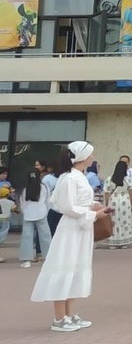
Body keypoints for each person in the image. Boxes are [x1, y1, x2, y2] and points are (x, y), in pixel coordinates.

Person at [30, 141, 111, 332]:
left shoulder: (78, 176)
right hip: (71, 229)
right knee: (65, 267)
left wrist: (93, 206)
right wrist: (94, 214)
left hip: (81, 228)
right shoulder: (69, 177)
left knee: (76, 268)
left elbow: (77, 202)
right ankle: (59, 318)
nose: (93, 157)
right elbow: (67, 207)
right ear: (82, 157)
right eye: (91, 154)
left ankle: (70, 314)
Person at [18, 171, 53, 268]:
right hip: (41, 213)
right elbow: (48, 201)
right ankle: (48, 258)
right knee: (45, 236)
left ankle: (26, 260)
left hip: (28, 215)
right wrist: (46, 211)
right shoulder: (44, 187)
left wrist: (25, 212)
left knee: (27, 237)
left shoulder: (25, 189)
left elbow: (22, 203)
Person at [103, 160, 132, 249]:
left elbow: (107, 193)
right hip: (125, 202)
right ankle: (124, 242)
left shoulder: (109, 179)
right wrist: (131, 203)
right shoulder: (127, 179)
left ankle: (113, 242)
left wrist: (106, 204)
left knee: (113, 221)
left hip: (113, 201)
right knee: (124, 221)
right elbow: (131, 192)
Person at [41, 160, 61, 235]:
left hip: (52, 208)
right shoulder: (64, 178)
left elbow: (43, 193)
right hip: (56, 208)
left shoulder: (48, 178)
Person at [0, 166, 14, 260]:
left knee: (5, 224)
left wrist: (11, 191)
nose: (4, 176)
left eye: (6, 174)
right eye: (2, 174)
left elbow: (12, 193)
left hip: (6, 205)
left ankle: (1, 240)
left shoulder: (8, 183)